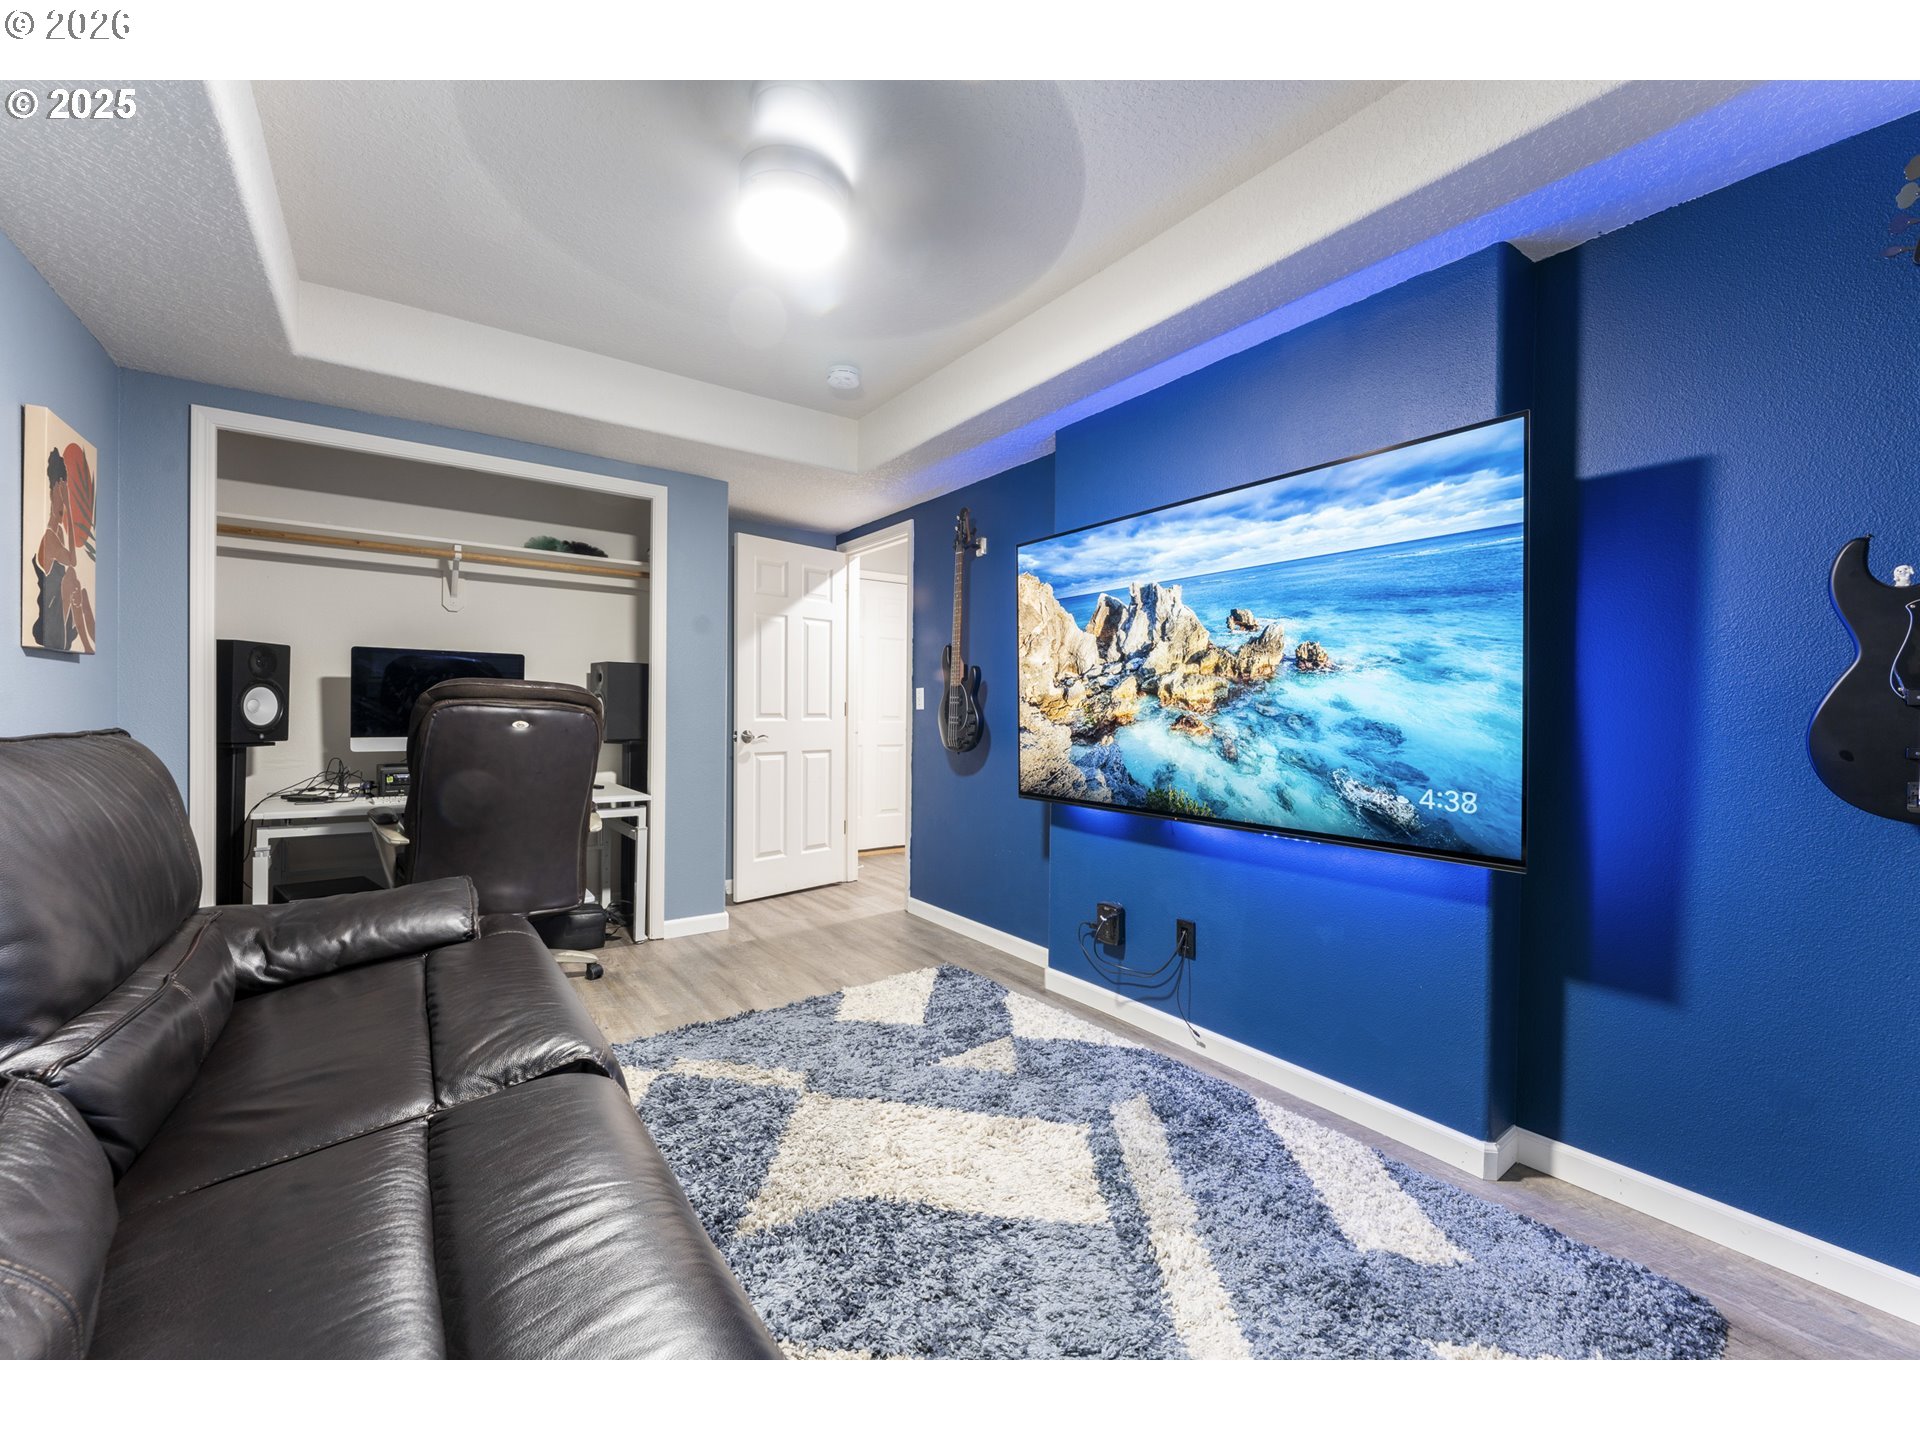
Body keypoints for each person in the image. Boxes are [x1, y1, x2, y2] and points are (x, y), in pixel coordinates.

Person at [31, 445, 95, 653]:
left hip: (60, 613)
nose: (65, 495)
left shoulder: (58, 531)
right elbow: (72, 561)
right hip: (49, 621)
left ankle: (89, 644)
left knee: (81, 590)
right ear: (54, 490)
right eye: (62, 488)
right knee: (71, 577)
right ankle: (86, 644)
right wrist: (67, 504)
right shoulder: (50, 536)